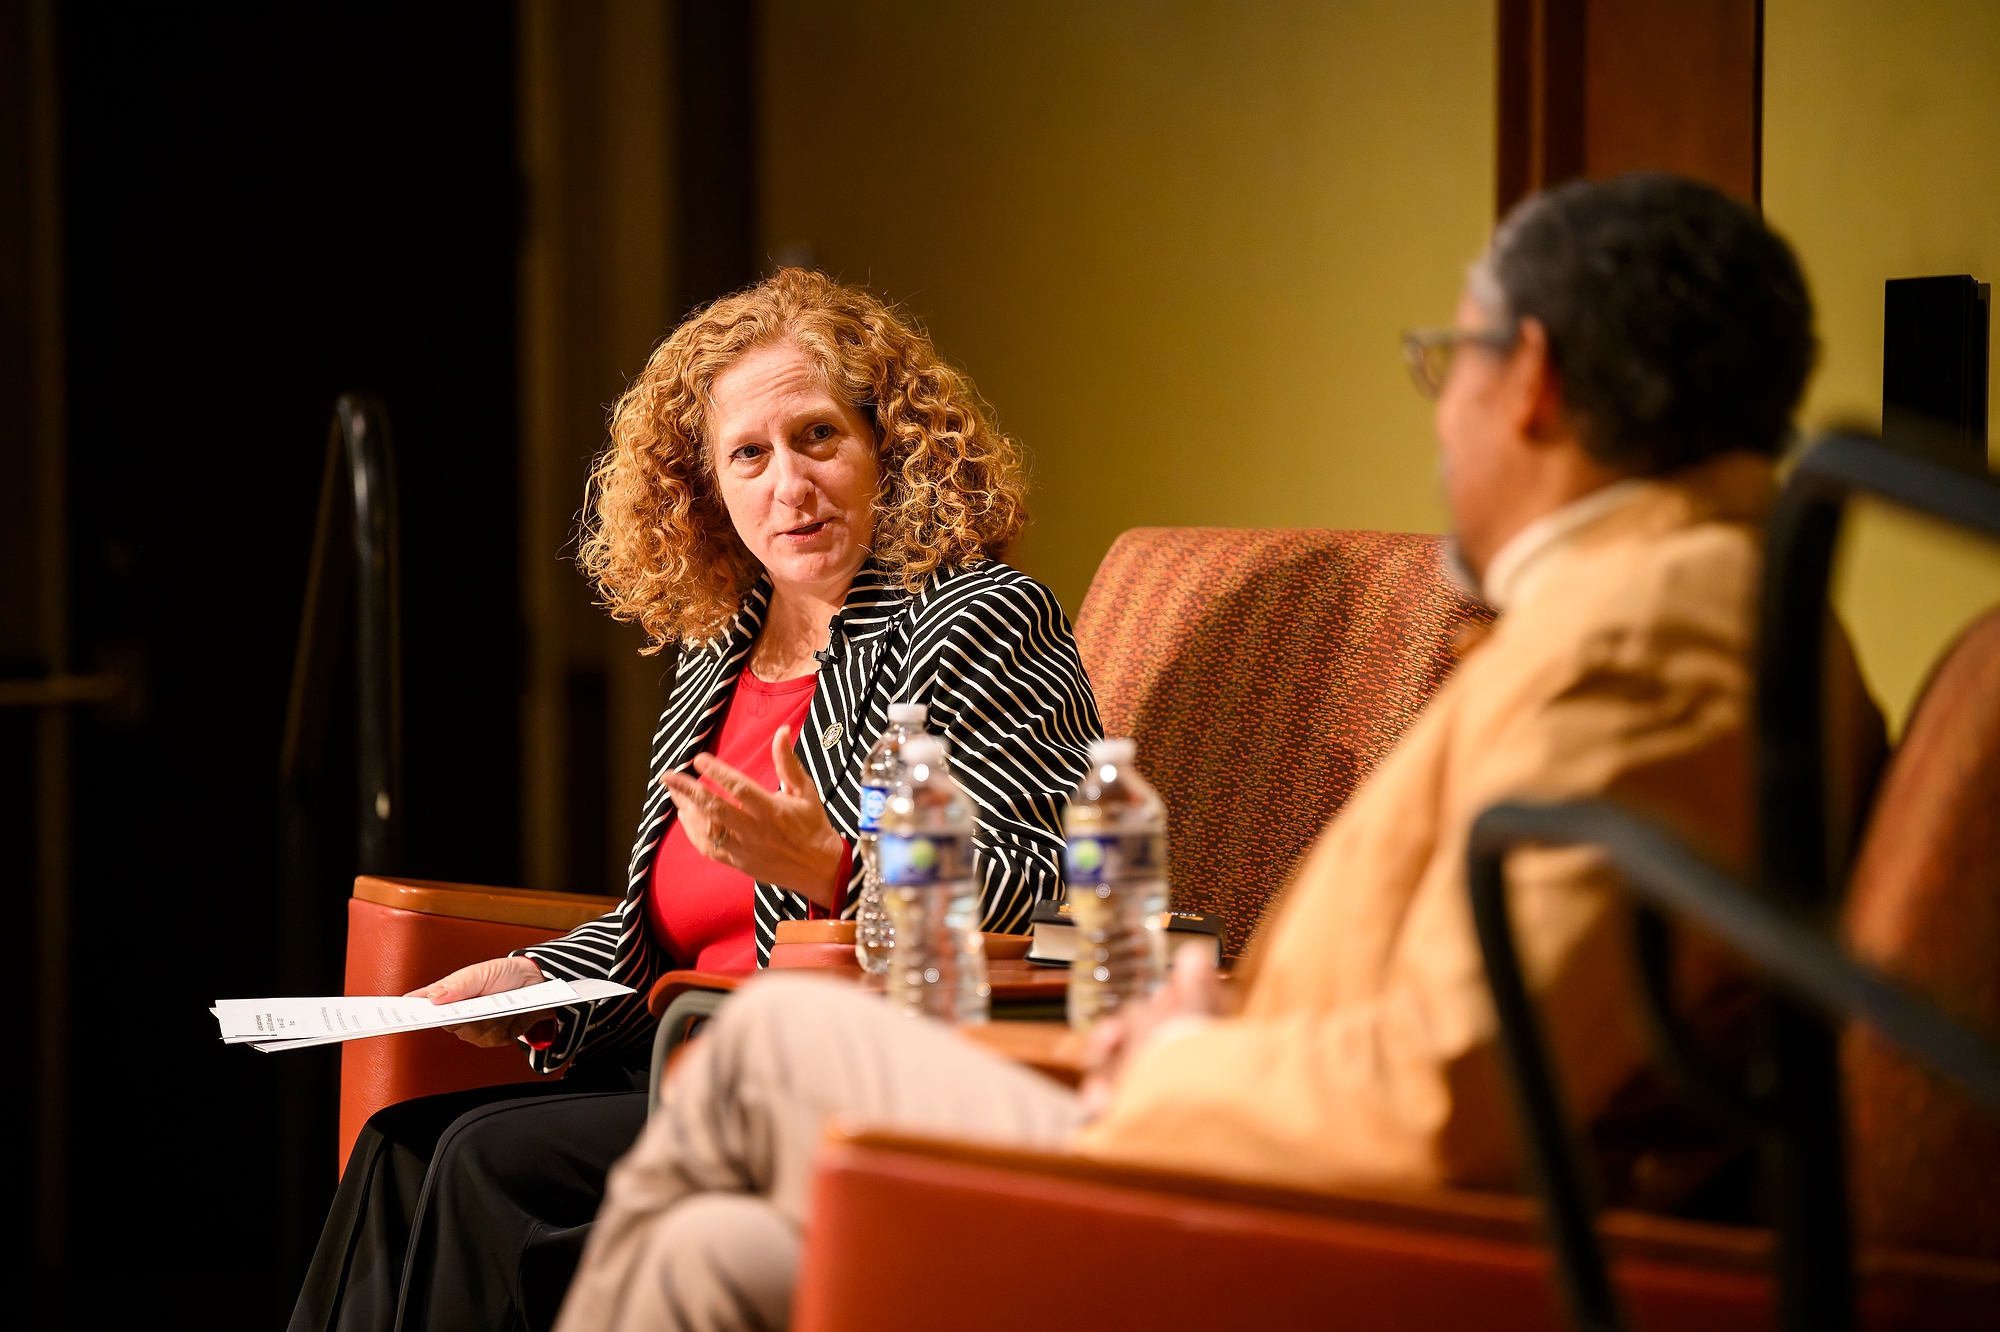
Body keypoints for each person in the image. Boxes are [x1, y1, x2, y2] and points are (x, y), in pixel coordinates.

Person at [550, 173, 1886, 1332]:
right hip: (1271, 1128)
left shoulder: (1654, 646)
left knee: (764, 1051)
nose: (1439, 426)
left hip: (1304, 1211)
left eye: (1446, 368)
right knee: (704, 1253)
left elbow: (1450, 1101)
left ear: (1528, 381)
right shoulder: (1667, 609)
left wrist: (1192, 1056)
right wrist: (1222, 1015)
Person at [288, 270, 1103, 1332]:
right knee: (405, 1145)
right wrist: (533, 978)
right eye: (747, 456)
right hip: (672, 1062)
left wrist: (837, 868)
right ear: (703, 488)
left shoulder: (976, 620)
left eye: (818, 437)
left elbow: (1047, 883)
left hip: (828, 1078)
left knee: (488, 1165)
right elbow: (660, 936)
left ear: (887, 448)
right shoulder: (718, 649)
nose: (787, 485)